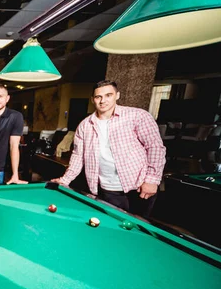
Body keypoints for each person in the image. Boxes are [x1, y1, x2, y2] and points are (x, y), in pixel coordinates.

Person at [52, 80, 166, 218]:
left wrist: (152, 180)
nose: (102, 101)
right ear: (92, 99)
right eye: (98, 97)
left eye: (108, 95)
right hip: (107, 190)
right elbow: (77, 156)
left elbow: (155, 147)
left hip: (139, 187)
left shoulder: (137, 116)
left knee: (139, 232)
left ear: (117, 95)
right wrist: (65, 180)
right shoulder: (84, 125)